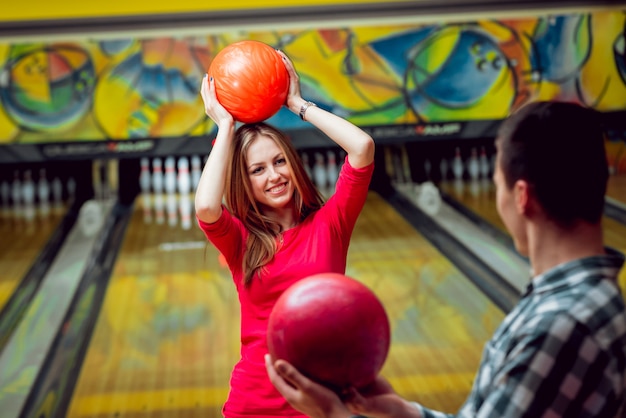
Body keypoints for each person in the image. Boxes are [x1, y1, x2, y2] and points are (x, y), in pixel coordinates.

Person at [266, 101, 626, 417]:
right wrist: (405, 412)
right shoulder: (586, 301)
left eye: (497, 184)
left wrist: (334, 415)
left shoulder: (560, 327)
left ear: (521, 197)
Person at [195, 49, 375, 418]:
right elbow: (206, 208)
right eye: (257, 170)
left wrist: (297, 104)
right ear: (244, 181)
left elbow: (362, 147)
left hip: (323, 400)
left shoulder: (332, 222)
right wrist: (226, 127)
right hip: (254, 401)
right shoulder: (240, 240)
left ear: (293, 164)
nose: (274, 176)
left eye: (279, 162)